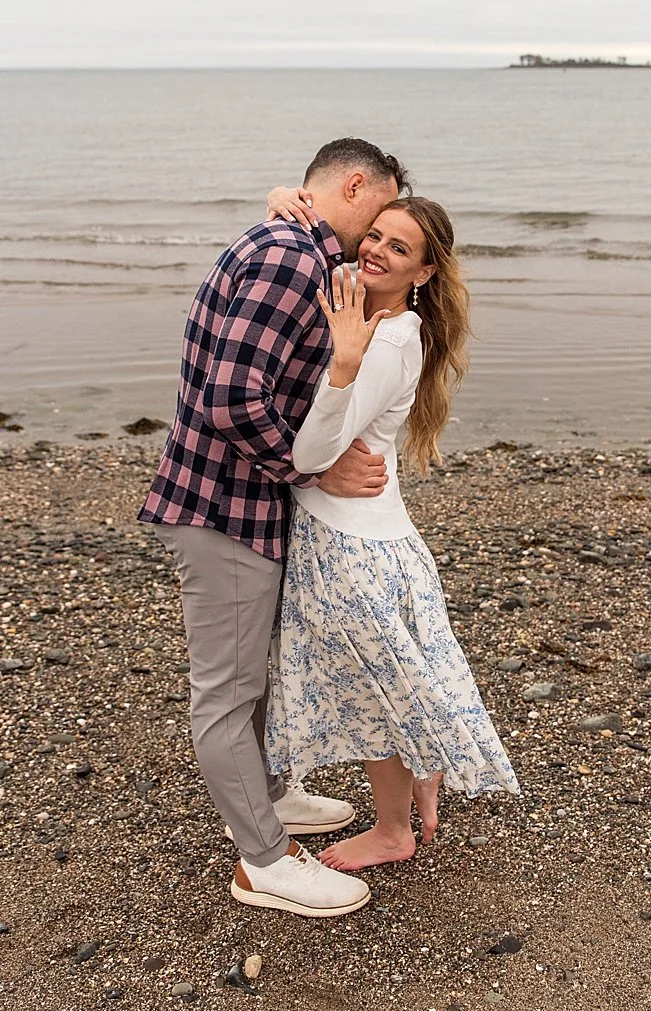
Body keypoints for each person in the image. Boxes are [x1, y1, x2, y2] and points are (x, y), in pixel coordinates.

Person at [141, 138, 407, 916]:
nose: (379, 233)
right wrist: (311, 470)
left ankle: (264, 803)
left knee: (246, 683)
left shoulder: (286, 241)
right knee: (225, 696)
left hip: (234, 504)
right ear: (355, 185)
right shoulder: (293, 255)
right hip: (223, 507)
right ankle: (264, 860)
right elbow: (229, 398)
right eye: (380, 211)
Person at [262, 195, 520, 873]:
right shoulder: (372, 311)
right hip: (377, 539)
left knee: (381, 689)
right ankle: (421, 777)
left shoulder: (393, 336)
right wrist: (282, 201)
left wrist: (344, 362)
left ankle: (391, 829)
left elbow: (315, 451)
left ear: (426, 271)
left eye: (397, 248)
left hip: (352, 548)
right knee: (401, 676)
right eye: (373, 234)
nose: (374, 249)